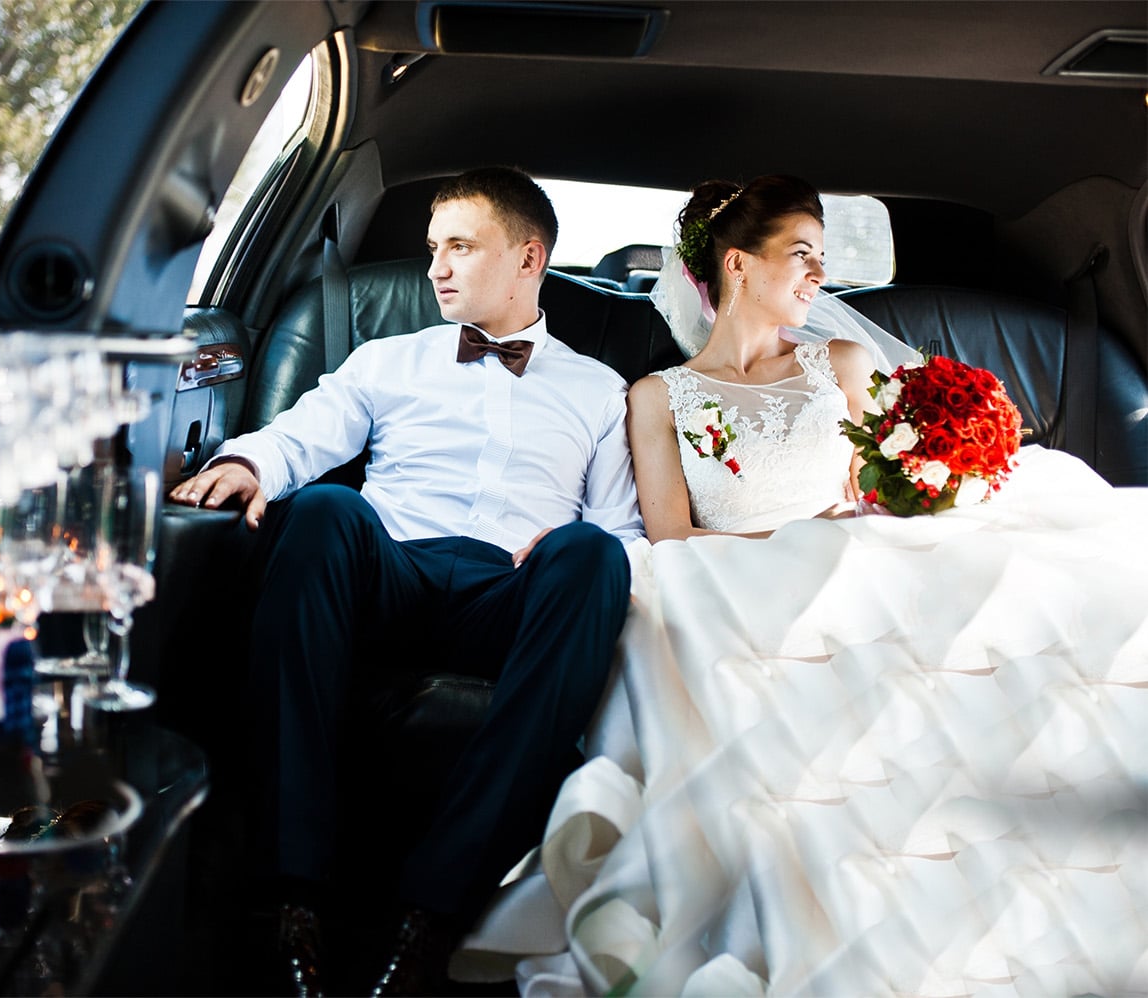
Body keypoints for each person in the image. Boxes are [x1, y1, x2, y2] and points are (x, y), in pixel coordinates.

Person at [452, 175, 1148, 996]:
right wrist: (801, 541)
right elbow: (673, 536)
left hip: (861, 566)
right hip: (738, 580)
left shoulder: (845, 363)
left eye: (822, 258)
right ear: (738, 266)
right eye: (803, 255)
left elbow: (875, 493)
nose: (821, 276)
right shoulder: (655, 398)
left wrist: (907, 490)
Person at [167, 166, 642, 996]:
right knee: (319, 509)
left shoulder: (601, 391)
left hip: (511, 593)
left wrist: (567, 542)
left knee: (593, 557)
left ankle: (434, 913)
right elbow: (300, 434)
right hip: (389, 570)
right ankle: (289, 896)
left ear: (529, 257)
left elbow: (621, 534)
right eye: (432, 249)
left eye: (461, 247)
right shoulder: (386, 360)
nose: (436, 268)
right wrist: (244, 462)